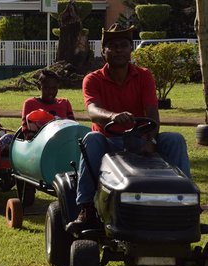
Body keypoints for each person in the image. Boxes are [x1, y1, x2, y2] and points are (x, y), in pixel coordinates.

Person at [66, 23, 191, 233]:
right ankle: (86, 207)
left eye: (123, 45)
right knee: (91, 139)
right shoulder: (92, 79)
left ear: (131, 49)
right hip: (108, 141)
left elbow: (152, 112)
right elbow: (93, 110)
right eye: (113, 46)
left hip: (141, 138)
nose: (118, 50)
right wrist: (113, 116)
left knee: (175, 139)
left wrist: (151, 140)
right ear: (103, 51)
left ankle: (186, 203)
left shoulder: (143, 76)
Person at [21, 69, 75, 139]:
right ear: (40, 87)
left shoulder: (65, 103)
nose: (50, 92)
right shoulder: (30, 104)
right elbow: (26, 132)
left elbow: (73, 128)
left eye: (54, 88)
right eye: (46, 88)